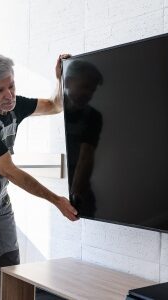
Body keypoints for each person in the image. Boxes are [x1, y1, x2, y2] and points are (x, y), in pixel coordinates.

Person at [0, 53, 78, 300]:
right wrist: (57, 201)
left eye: (12, 86)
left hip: (0, 198)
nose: (8, 95)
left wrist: (60, 78)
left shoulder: (14, 104)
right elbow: (11, 171)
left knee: (9, 267)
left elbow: (55, 105)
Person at [63, 60, 103, 217]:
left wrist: (75, 196)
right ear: (67, 82)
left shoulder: (93, 117)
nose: (88, 94)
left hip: (78, 187)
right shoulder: (56, 108)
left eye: (92, 90)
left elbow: (86, 157)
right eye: (85, 86)